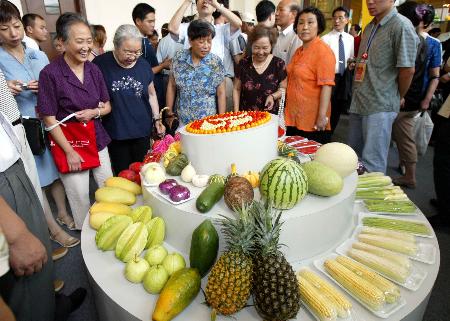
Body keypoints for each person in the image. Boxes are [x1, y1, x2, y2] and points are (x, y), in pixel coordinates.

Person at [0, 2, 79, 247]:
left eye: (16, 26)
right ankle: (52, 227)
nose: (13, 33)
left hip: (47, 121)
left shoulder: (38, 54)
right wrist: (7, 90)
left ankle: (63, 213)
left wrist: (44, 86)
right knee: (34, 178)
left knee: (54, 171)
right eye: (4, 29)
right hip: (20, 126)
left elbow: (55, 86)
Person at [0, 111, 87, 321]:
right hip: (4, 177)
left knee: (38, 263)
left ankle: (52, 305)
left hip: (13, 153)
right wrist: (16, 234)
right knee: (23, 281)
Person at [37, 13, 114, 230]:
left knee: (108, 186)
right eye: (79, 41)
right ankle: (86, 237)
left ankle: (112, 227)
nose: (86, 46)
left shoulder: (93, 69)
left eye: (89, 41)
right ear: (61, 43)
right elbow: (48, 118)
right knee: (80, 196)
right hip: (70, 141)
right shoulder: (50, 73)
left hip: (96, 137)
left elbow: (107, 106)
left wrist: (94, 113)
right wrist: (69, 151)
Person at [347, 0, 418, 174]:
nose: (370, 2)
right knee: (351, 158)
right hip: (359, 99)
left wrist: (397, 95)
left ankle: (370, 201)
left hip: (380, 103)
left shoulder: (401, 25)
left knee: (372, 164)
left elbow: (407, 70)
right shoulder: (370, 26)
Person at [93, 25, 165, 174]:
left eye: (137, 52)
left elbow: (151, 94)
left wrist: (157, 119)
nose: (132, 57)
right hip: (116, 131)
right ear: (115, 45)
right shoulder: (100, 64)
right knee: (123, 174)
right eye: (128, 52)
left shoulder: (143, 65)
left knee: (143, 172)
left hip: (142, 130)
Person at [391, 2, 431, 189]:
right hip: (411, 95)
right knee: (402, 135)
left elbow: (407, 71)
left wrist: (400, 94)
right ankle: (406, 170)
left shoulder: (409, 37)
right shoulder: (420, 39)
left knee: (404, 136)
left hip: (405, 97)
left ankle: (410, 176)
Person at [284, 7, 335, 144]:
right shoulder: (298, 51)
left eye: (310, 22)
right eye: (300, 23)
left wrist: (322, 116)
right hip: (294, 117)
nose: (304, 27)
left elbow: (327, 86)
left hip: (311, 121)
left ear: (319, 26)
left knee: (310, 160)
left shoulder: (323, 52)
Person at [166, 20, 226, 125]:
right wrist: (169, 112)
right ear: (190, 40)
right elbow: (171, 86)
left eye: (209, 41)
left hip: (207, 123)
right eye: (201, 41)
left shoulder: (215, 62)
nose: (206, 46)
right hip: (183, 121)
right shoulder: (179, 58)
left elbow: (221, 93)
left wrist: (221, 119)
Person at [233, 26, 286, 114]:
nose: (261, 52)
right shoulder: (243, 64)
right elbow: (236, 88)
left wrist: (273, 96)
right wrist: (236, 112)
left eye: (265, 48)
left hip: (270, 117)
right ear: (251, 45)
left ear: (271, 46)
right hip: (246, 117)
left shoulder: (278, 64)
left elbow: (283, 88)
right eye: (256, 47)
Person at [321, 6, 354, 133]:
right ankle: (323, 132)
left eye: (340, 18)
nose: (337, 21)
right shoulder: (325, 39)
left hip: (344, 77)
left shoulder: (350, 39)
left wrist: (351, 64)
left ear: (347, 20)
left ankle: (331, 132)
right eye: (335, 18)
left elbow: (351, 57)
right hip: (330, 77)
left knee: (338, 108)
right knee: (328, 105)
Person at [132, 3, 169, 107]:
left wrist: (161, 63)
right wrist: (163, 65)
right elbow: (142, 73)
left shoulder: (145, 40)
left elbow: (147, 66)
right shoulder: (137, 43)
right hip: (150, 95)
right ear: (138, 21)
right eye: (149, 21)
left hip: (156, 91)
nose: (153, 25)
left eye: (154, 21)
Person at [273, 0, 302, 65]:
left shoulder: (297, 36)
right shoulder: (278, 34)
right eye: (276, 10)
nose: (276, 13)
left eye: (281, 10)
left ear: (293, 14)